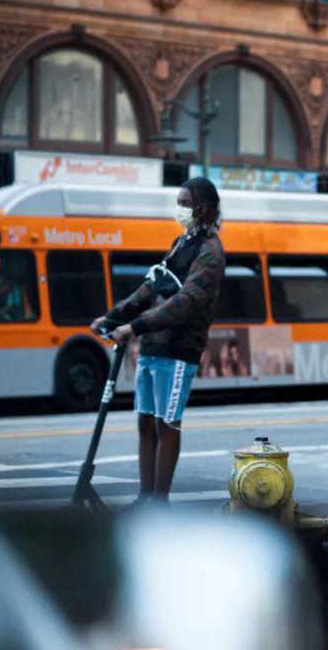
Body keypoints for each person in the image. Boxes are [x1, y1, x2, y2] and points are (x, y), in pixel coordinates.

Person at [91, 177, 225, 503]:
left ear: (202, 207)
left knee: (167, 425)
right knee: (145, 424)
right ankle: (144, 496)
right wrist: (112, 317)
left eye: (184, 203)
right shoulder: (181, 243)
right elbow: (150, 288)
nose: (179, 209)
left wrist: (134, 327)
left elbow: (185, 302)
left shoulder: (211, 253)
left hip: (179, 350)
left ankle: (159, 501)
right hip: (152, 346)